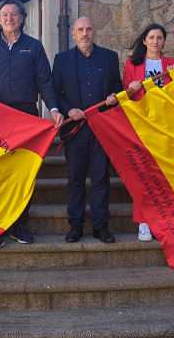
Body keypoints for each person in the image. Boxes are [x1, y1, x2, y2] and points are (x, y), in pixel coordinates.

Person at [0, 0, 64, 247]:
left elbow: (45, 81)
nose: (9, 18)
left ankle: (19, 226)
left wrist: (54, 108)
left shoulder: (33, 47)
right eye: (4, 15)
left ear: (22, 18)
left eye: (14, 14)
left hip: (26, 117)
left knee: (24, 174)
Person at [52, 17, 121, 243]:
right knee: (76, 178)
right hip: (76, 129)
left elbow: (117, 89)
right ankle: (76, 225)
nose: (85, 33)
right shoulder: (61, 60)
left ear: (95, 32)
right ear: (73, 34)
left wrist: (113, 98)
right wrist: (69, 110)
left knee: (101, 178)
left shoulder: (110, 57)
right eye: (80, 29)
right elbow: (55, 93)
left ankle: (101, 226)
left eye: (89, 29)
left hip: (101, 127)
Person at [122, 23, 174, 241]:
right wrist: (133, 88)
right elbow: (125, 95)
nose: (155, 41)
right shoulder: (133, 64)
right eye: (151, 37)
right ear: (144, 40)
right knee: (143, 175)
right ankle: (144, 223)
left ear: (164, 41)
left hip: (167, 127)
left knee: (166, 175)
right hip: (143, 125)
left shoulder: (172, 65)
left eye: (159, 38)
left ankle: (166, 221)